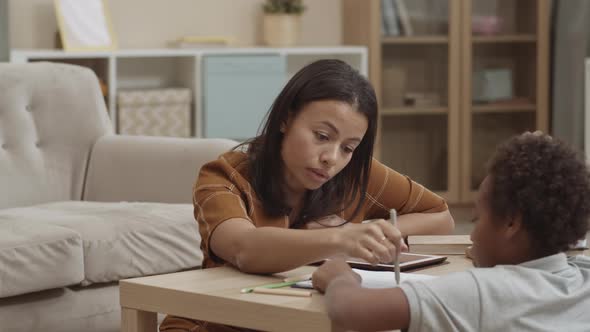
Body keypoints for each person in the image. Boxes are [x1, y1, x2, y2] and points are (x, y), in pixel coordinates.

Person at [159, 59, 454, 332]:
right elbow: (243, 248)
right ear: (286, 119)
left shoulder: (356, 175)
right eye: (322, 136)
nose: (332, 158)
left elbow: (440, 217)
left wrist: (368, 233)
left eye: (348, 148)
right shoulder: (224, 176)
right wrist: (342, 238)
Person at [313, 131, 590, 332]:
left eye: (477, 218)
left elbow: (352, 312)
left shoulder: (480, 292)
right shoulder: (582, 279)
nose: (471, 235)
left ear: (511, 224)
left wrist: (340, 276)